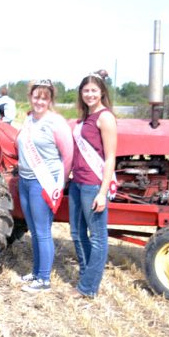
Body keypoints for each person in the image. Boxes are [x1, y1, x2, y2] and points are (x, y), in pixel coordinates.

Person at [16, 79, 73, 293]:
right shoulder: (29, 119)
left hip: (43, 182)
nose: (39, 101)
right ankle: (36, 272)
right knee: (34, 229)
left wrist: (60, 183)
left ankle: (44, 280)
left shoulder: (56, 122)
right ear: (30, 97)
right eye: (36, 96)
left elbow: (68, 155)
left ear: (50, 100)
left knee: (42, 231)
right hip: (25, 180)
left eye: (44, 97)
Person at [68, 72, 118, 299]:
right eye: (86, 90)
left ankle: (88, 287)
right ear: (81, 93)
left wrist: (103, 192)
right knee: (77, 233)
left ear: (102, 93)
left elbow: (110, 158)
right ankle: (87, 276)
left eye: (94, 90)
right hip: (77, 183)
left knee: (97, 236)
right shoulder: (84, 118)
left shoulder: (104, 117)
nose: (89, 94)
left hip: (92, 185)